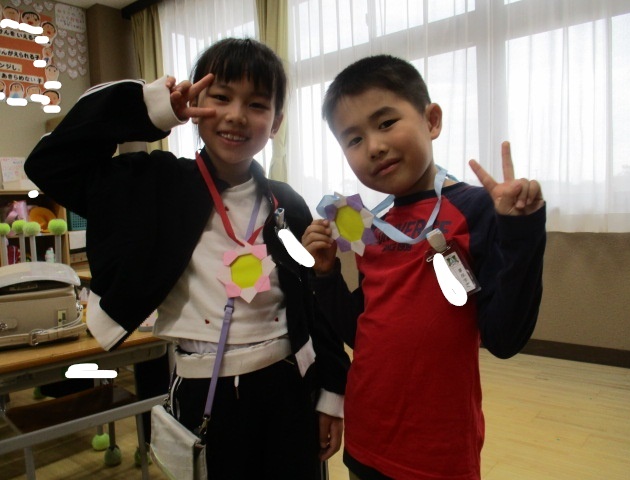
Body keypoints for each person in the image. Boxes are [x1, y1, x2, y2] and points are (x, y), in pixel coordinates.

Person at [25, 37, 349, 479]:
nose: (236, 115)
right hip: (202, 387)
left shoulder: (286, 203)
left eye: (257, 105)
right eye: (221, 97)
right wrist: (152, 110)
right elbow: (51, 164)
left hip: (289, 385)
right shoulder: (154, 185)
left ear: (276, 123)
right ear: (195, 105)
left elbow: (312, 303)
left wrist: (331, 394)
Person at [302, 54, 546, 479]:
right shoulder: (372, 226)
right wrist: (326, 275)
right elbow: (361, 332)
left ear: (432, 121)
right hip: (367, 434)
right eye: (353, 140)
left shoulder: (475, 209)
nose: (374, 146)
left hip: (438, 450)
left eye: (385, 123)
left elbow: (504, 337)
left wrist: (520, 231)